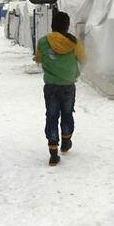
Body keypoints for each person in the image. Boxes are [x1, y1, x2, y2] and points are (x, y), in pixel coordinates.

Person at [34, 11, 86, 166]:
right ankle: (66, 140)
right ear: (67, 25)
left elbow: (38, 59)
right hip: (68, 86)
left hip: (51, 86)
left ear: (52, 25)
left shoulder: (43, 42)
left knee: (51, 115)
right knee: (67, 113)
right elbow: (84, 58)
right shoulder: (73, 42)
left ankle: (53, 152)